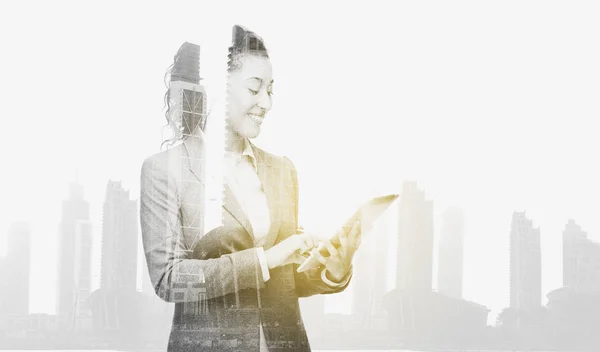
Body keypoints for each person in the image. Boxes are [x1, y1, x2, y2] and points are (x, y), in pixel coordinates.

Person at [140, 25, 362, 352]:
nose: (267, 103)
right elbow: (169, 279)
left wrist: (333, 271)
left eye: (270, 89)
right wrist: (264, 260)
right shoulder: (164, 170)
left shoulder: (282, 170)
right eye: (255, 89)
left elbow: (285, 279)